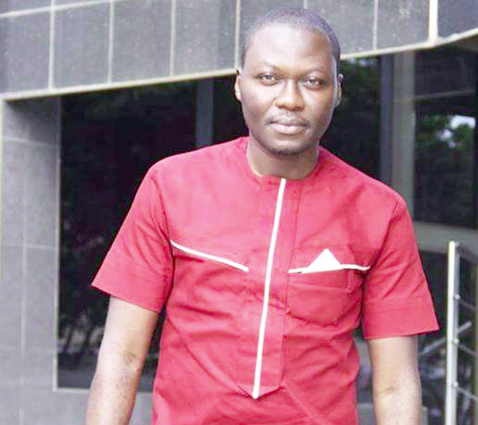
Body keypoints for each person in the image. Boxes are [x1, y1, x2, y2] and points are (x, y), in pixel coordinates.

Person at [85, 7, 439, 425]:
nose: (290, 100)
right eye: (269, 77)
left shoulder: (380, 211)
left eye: (313, 81)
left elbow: (396, 383)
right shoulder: (170, 184)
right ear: (239, 84)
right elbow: (122, 355)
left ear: (337, 91)